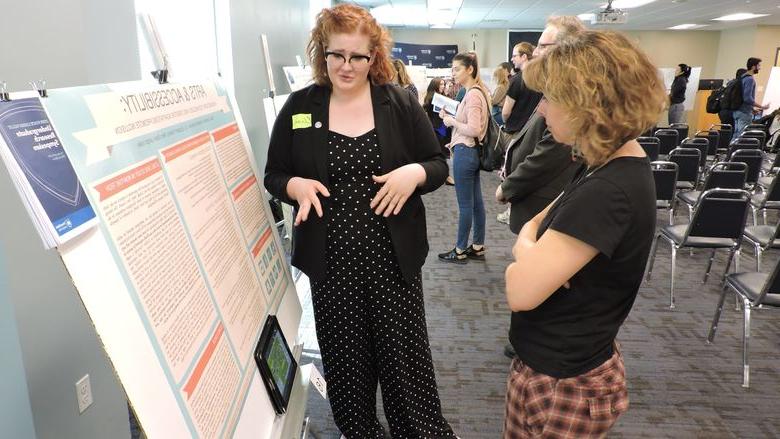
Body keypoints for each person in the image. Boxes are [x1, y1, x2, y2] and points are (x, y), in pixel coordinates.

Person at [264, 4, 456, 438]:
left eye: (357, 56)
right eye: (336, 55)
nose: (346, 66)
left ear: (374, 57)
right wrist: (294, 186)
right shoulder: (301, 106)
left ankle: (418, 432)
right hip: (331, 266)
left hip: (393, 262)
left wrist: (415, 174)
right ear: (322, 52)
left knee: (403, 364)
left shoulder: (399, 103)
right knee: (347, 365)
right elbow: (273, 172)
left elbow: (438, 163)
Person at [503, 29, 665, 438]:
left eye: (550, 98)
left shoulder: (608, 189)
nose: (541, 109)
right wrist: (534, 248)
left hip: (564, 382)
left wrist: (525, 251)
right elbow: (537, 222)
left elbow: (520, 291)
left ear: (586, 104)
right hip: (557, 363)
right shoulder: (602, 163)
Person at [437, 51, 490, 263]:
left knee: (466, 205)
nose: (454, 73)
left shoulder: (474, 94)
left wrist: (452, 123)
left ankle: (459, 250)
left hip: (466, 154)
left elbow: (475, 129)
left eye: (457, 69)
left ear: (470, 69)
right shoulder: (475, 92)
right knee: (475, 203)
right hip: (467, 151)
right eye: (452, 69)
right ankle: (477, 246)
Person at [502, 42, 542, 134]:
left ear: (524, 57)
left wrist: (505, 121)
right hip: (532, 132)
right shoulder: (541, 79)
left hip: (515, 132)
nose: (512, 59)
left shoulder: (516, 80)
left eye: (514, 56)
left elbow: (505, 112)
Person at [423, 77, 455, 185]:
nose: (443, 86)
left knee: (440, 153)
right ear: (435, 86)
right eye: (440, 84)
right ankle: (446, 176)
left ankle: (442, 176)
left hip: (440, 128)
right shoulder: (434, 98)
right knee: (440, 153)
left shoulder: (437, 97)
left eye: (443, 84)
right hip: (438, 129)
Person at [734, 57, 769, 137]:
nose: (760, 68)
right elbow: (747, 98)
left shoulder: (742, 77)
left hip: (737, 111)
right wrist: (762, 106)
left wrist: (752, 109)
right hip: (744, 113)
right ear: (753, 67)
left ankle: (731, 149)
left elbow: (742, 97)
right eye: (758, 66)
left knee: (736, 135)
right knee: (742, 136)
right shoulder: (750, 79)